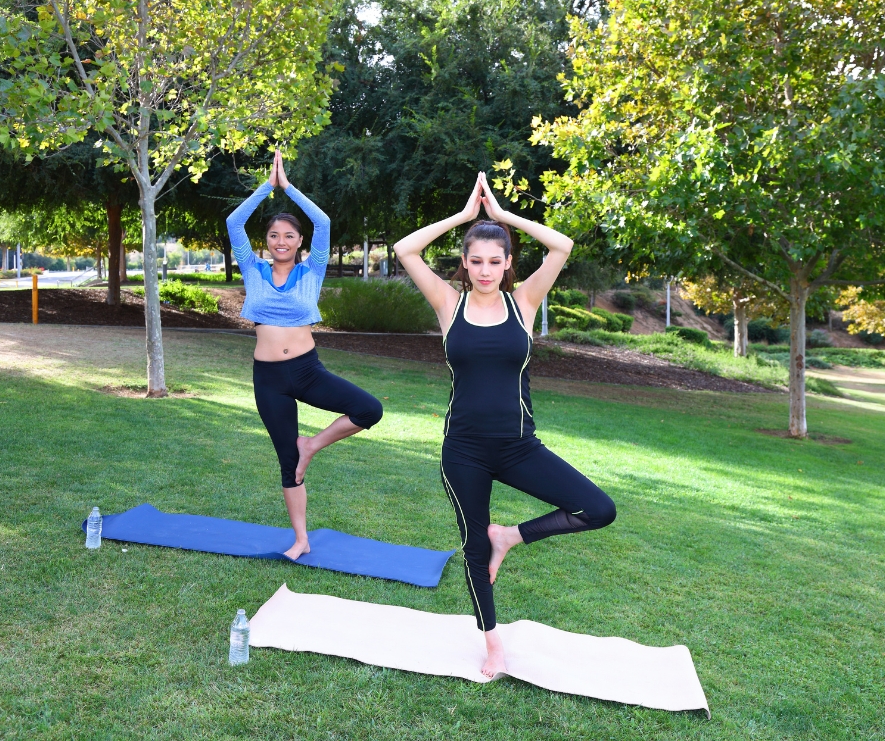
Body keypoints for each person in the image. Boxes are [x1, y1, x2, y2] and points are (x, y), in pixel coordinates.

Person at [394, 172, 616, 678]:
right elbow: (406, 250)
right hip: (465, 450)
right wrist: (464, 218)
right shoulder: (449, 304)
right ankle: (492, 643)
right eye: (476, 261)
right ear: (465, 264)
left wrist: (503, 217)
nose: (486, 270)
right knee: (472, 545)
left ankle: (509, 536)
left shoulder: (525, 302)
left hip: (519, 447)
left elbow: (562, 245)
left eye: (496, 261)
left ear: (509, 263)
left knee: (598, 508)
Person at [227, 150, 383, 561]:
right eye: (274, 235)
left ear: (300, 243)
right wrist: (267, 187)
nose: (281, 241)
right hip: (269, 379)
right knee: (286, 461)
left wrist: (288, 186)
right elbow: (233, 222)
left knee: (369, 409)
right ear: (267, 241)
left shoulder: (312, 270)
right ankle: (301, 539)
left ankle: (312, 445)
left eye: (289, 236)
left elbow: (324, 222)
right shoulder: (252, 268)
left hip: (307, 370)